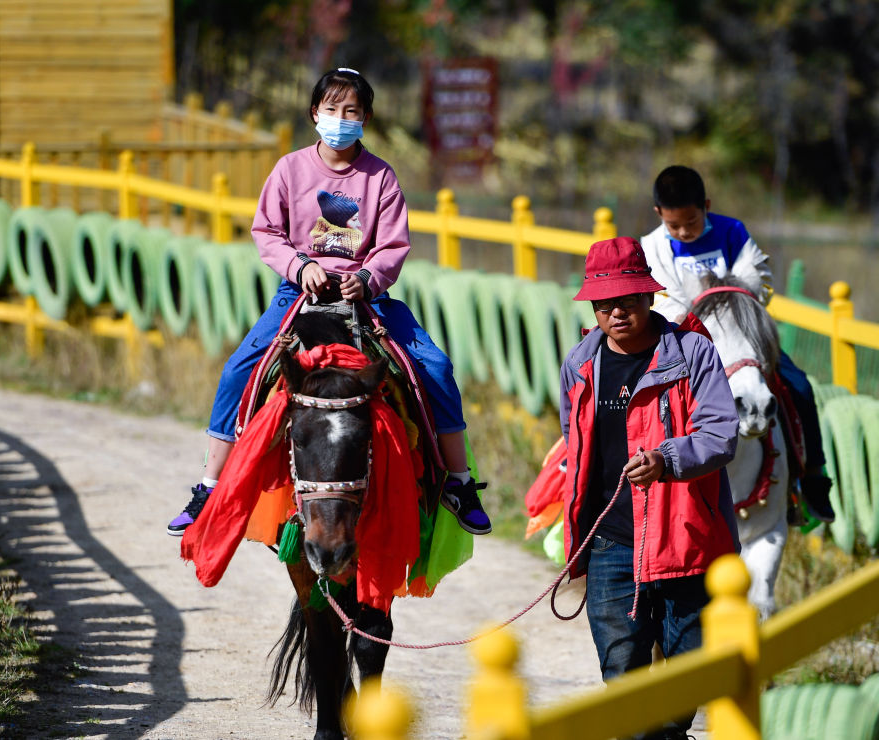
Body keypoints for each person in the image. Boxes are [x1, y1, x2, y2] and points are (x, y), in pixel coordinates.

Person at [166, 68, 491, 537]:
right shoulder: (290, 169)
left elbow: (393, 245)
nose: (341, 119)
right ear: (314, 113)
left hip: (366, 295)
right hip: (299, 292)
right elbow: (266, 232)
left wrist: (367, 276)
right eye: (332, 109)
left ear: (367, 118)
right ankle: (211, 484)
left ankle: (457, 482)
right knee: (241, 366)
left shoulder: (381, 177)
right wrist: (300, 267)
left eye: (352, 112)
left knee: (435, 366)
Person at [560, 236, 740, 740]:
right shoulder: (580, 363)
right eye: (604, 303)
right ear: (592, 308)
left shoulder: (693, 352)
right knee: (623, 677)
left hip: (687, 538)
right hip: (612, 541)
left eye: (627, 299)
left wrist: (666, 459)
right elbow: (573, 445)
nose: (616, 312)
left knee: (686, 675)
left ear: (649, 297)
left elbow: (722, 433)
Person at [639, 165, 835, 523]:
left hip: (741, 336)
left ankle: (812, 475)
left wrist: (716, 299)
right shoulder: (651, 246)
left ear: (707, 206)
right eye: (674, 226)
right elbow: (664, 301)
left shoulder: (733, 231)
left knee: (800, 386)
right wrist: (707, 303)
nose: (684, 231)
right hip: (683, 341)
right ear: (658, 215)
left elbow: (756, 280)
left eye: (692, 223)